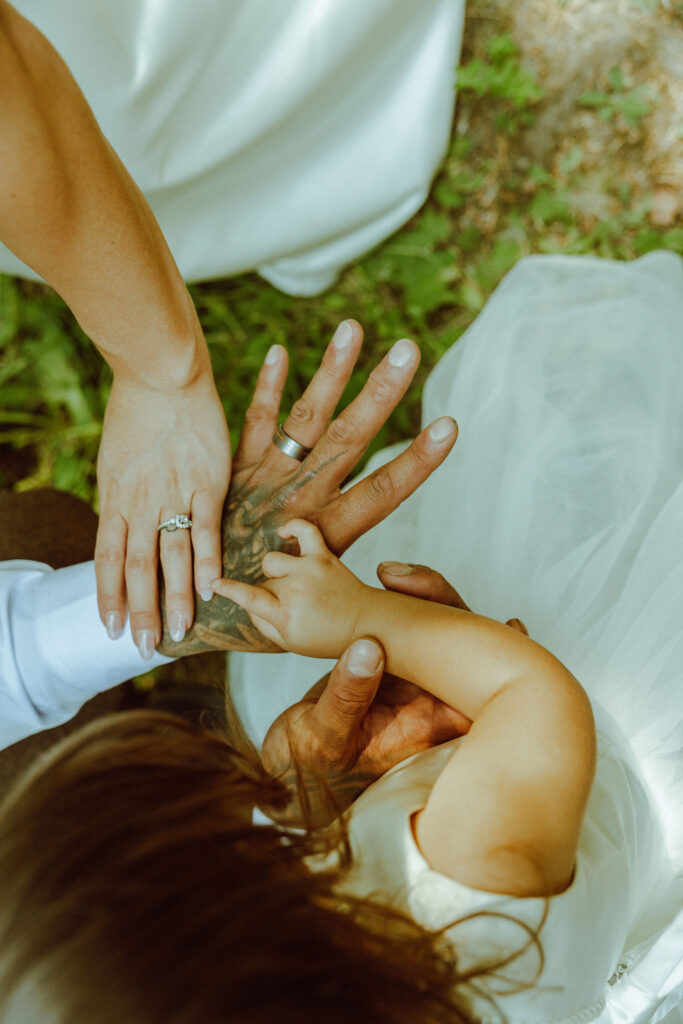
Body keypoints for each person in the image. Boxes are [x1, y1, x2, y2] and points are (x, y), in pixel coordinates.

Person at [0, 253, 681, 1023]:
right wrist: (364, 617)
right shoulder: (466, 882)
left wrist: (311, 812)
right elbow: (537, 698)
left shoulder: (376, 976)